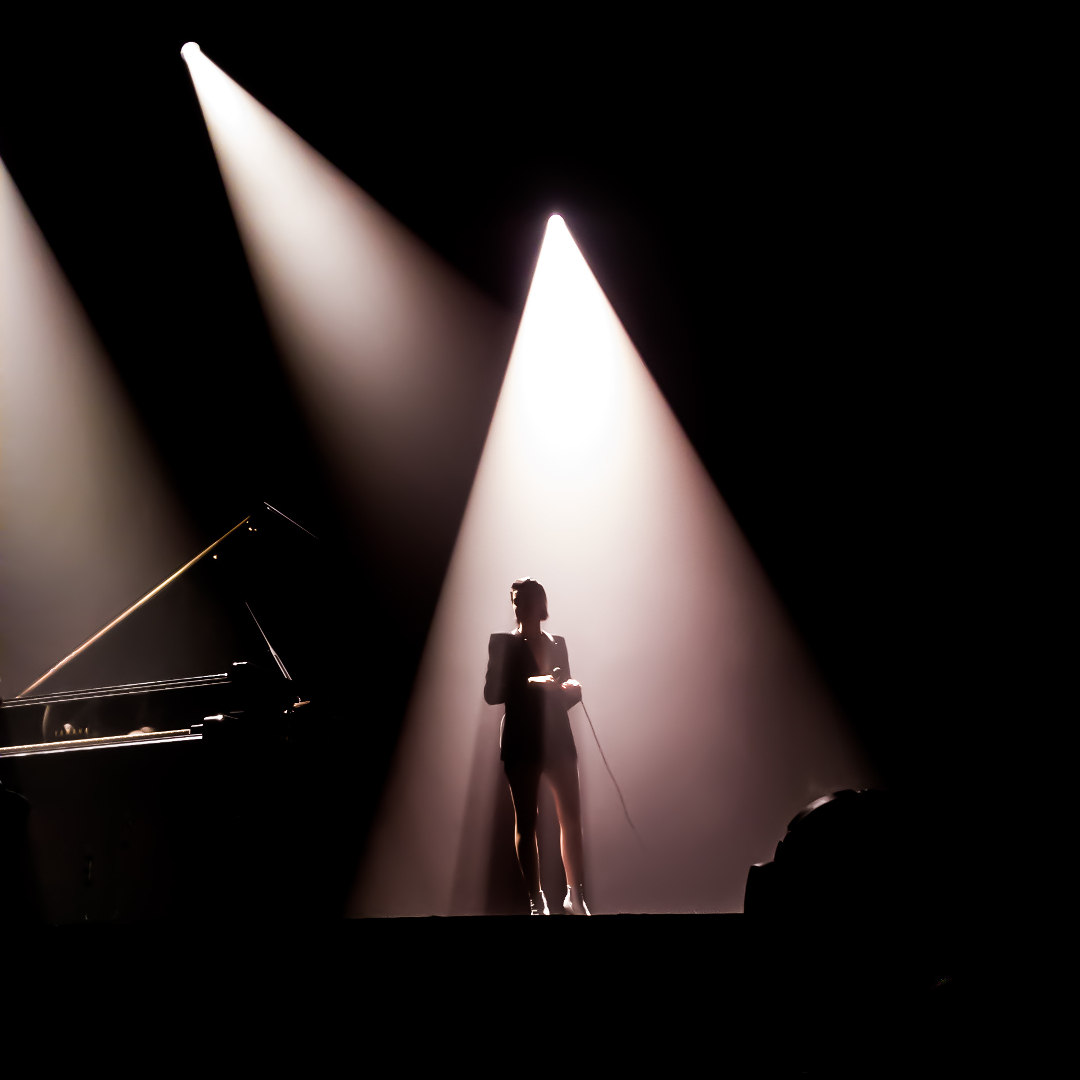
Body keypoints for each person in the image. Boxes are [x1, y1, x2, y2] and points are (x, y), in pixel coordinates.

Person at [484, 578, 591, 915]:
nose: (517, 605)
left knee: (571, 817)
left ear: (539, 604)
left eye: (523, 599)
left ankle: (575, 897)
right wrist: (533, 683)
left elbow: (562, 697)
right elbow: (492, 694)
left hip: (556, 736)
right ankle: (536, 901)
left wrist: (571, 692)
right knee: (527, 820)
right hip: (520, 738)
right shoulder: (502, 644)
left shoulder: (558, 642)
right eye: (515, 600)